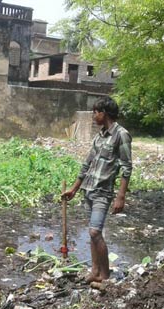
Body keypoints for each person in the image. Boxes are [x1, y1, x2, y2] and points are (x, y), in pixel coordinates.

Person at [62, 96, 133, 283]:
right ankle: (95, 271)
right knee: (93, 234)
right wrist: (74, 189)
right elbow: (87, 164)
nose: (93, 116)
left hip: (103, 192)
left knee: (95, 232)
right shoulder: (99, 136)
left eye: (96, 112)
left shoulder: (121, 135)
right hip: (89, 190)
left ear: (104, 113)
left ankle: (106, 275)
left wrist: (121, 196)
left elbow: (127, 167)